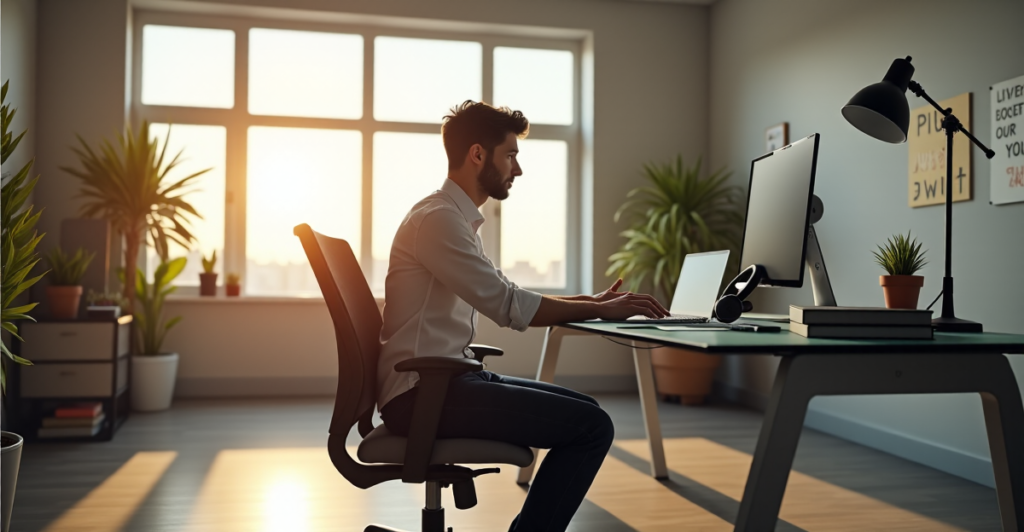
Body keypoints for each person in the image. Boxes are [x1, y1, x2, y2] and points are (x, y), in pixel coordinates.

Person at [377, 100, 669, 531]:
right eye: (510, 155)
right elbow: (509, 306)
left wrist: (593, 300)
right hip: (423, 394)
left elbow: (507, 293)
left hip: (446, 381)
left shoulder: (450, 219)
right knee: (592, 427)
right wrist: (598, 309)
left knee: (586, 409)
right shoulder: (438, 221)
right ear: (478, 154)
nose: (517, 169)